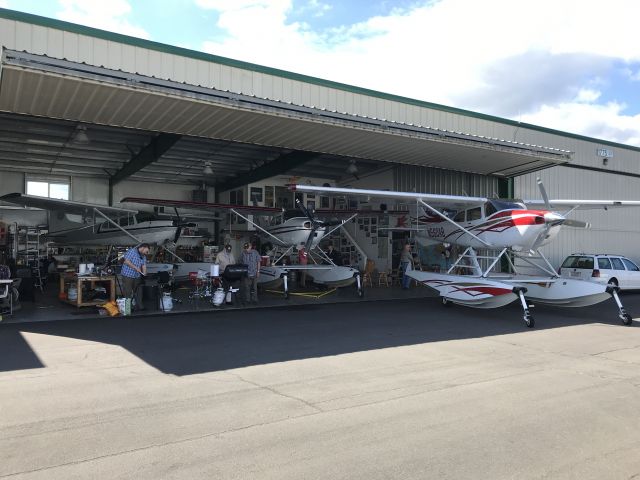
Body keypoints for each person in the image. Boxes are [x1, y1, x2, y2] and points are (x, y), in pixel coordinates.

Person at [121, 243, 150, 310]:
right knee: (127, 292)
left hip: (137, 276)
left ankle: (140, 306)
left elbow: (144, 265)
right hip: (127, 275)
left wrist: (145, 274)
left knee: (139, 291)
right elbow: (126, 261)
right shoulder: (132, 251)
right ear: (143, 247)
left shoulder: (143, 255)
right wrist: (136, 268)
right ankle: (128, 308)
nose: (147, 252)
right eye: (146, 251)